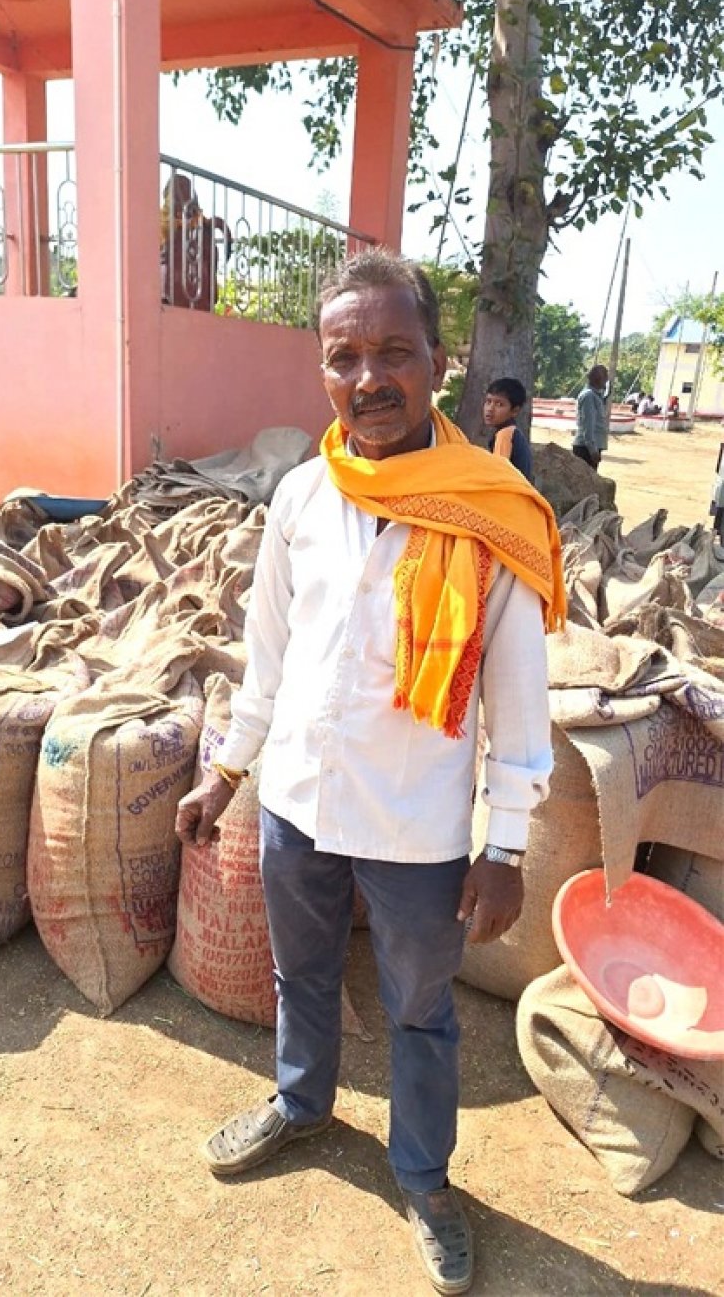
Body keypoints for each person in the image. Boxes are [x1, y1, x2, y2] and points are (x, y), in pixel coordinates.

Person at [176, 249, 565, 1297]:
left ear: (438, 361)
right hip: (296, 802)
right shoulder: (303, 494)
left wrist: (508, 844)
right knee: (299, 977)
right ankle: (303, 1106)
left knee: (420, 1011)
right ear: (322, 371)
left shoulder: (494, 511)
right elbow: (269, 659)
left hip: (416, 831)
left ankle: (426, 1179)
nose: (369, 376)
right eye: (344, 355)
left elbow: (517, 701)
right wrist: (226, 774)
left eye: (395, 351)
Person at [159, 172, 232, 312]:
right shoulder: (161, 221)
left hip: (199, 291)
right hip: (170, 290)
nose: (184, 195)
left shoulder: (201, 224)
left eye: (187, 190)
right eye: (180, 190)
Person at [483, 376, 533, 480]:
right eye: (488, 401)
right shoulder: (512, 432)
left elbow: (497, 475)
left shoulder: (505, 434)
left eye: (499, 404)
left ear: (514, 411)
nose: (490, 409)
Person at [572, 364, 609, 469]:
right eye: (605, 377)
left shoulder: (596, 396)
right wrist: (592, 450)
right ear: (598, 379)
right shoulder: (589, 396)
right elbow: (588, 424)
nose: (606, 381)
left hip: (590, 447)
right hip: (585, 449)